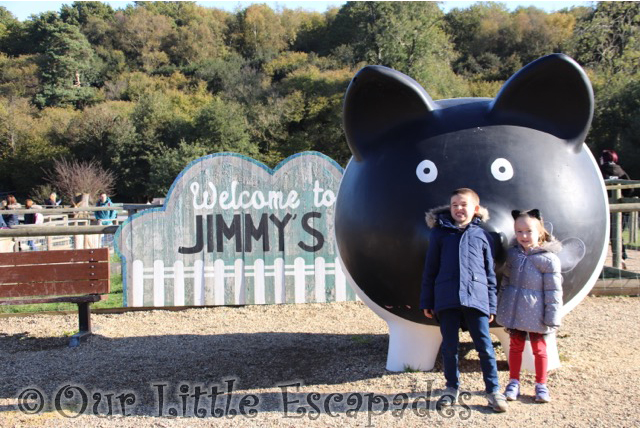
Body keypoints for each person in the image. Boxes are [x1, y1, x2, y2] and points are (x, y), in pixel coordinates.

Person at [419, 188, 508, 413]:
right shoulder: (439, 235)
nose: (459, 208)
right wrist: (427, 301)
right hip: (447, 298)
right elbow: (430, 270)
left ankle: (493, 391)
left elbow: (489, 274)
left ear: (475, 209)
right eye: (454, 204)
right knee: (449, 347)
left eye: (464, 204)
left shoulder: (482, 236)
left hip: (476, 299)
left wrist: (491, 305)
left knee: (485, 347)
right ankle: (451, 388)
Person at [496, 209, 563, 404]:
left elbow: (554, 292)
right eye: (518, 231)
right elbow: (506, 281)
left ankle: (541, 384)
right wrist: (503, 305)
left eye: (528, 231)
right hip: (516, 312)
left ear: (540, 232)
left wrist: (552, 316)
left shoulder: (548, 259)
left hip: (537, 314)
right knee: (515, 348)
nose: (523, 236)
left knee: (540, 350)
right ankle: (513, 382)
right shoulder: (513, 256)